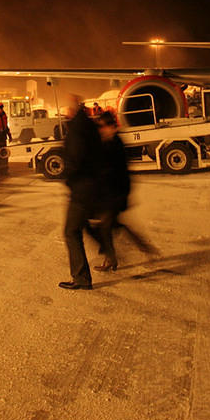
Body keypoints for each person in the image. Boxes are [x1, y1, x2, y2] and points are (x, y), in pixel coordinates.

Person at [89, 111, 159, 271]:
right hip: (111, 195)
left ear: (111, 126)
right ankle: (145, 249)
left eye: (102, 126)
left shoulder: (115, 144)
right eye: (99, 126)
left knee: (105, 228)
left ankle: (112, 259)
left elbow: (116, 172)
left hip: (114, 195)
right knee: (116, 226)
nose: (100, 129)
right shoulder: (109, 142)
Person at [59, 96, 103, 290]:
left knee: (71, 231)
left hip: (82, 188)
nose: (64, 112)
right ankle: (109, 248)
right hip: (92, 185)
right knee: (84, 226)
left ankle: (81, 278)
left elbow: (76, 159)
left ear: (73, 110)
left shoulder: (76, 131)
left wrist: (69, 179)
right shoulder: (88, 126)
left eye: (67, 109)